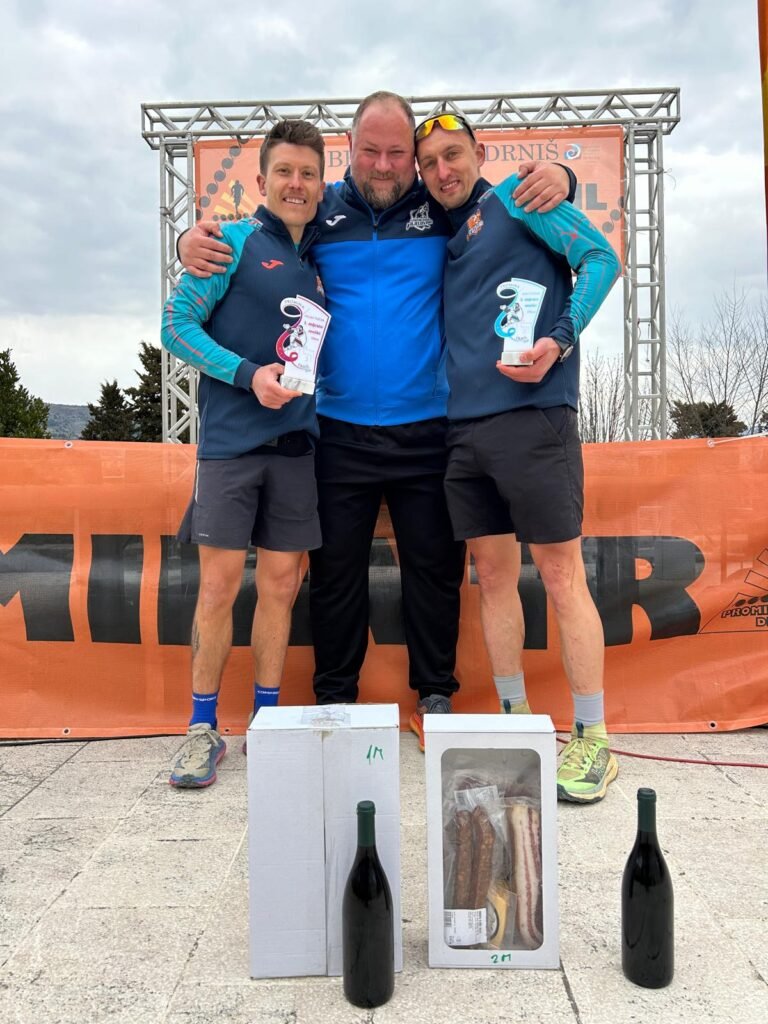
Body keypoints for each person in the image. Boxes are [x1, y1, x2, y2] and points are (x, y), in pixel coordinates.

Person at [179, 92, 573, 751]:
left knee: (434, 571)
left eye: (397, 152)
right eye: (371, 151)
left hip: (430, 426)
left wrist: (564, 175)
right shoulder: (320, 211)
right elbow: (256, 234)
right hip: (336, 427)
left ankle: (435, 693)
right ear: (349, 150)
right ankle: (335, 697)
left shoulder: (440, 208)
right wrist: (190, 240)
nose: (385, 164)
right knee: (335, 576)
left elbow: (505, 201)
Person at [415, 112, 622, 802]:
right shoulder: (446, 234)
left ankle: (593, 738)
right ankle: (513, 720)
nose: (442, 171)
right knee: (494, 578)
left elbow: (601, 259)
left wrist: (559, 339)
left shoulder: (519, 196)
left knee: (561, 576)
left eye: (453, 155)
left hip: (534, 419)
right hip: (464, 431)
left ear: (480, 152)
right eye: (429, 163)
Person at [160, 119, 327, 787]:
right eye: (284, 171)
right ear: (262, 180)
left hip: (297, 449)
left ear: (322, 185)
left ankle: (267, 722)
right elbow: (175, 326)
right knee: (218, 589)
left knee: (281, 589)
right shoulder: (228, 243)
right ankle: (202, 729)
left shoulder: (323, 256)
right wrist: (247, 375)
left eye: (308, 173)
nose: (296, 183)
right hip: (230, 448)